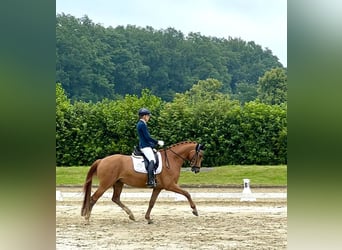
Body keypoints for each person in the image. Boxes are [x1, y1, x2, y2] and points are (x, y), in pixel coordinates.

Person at [136, 108, 164, 188]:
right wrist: (157, 142)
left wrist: (152, 147)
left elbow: (145, 138)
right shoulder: (142, 124)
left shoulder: (142, 123)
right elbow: (147, 137)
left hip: (146, 145)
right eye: (148, 116)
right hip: (144, 146)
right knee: (152, 160)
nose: (149, 117)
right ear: (144, 116)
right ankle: (150, 180)